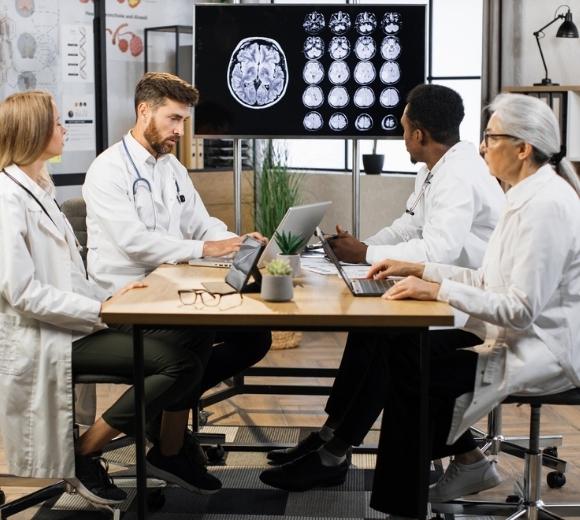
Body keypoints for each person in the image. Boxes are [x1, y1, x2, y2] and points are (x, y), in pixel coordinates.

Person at [260, 84, 505, 491]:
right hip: (440, 292)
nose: (401, 135)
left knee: (391, 341)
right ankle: (331, 437)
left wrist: (368, 251)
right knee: (370, 326)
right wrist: (364, 249)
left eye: (404, 128)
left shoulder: (459, 174)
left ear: (419, 135)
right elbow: (410, 224)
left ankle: (333, 451)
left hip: (468, 305)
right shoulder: (435, 167)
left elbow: (437, 248)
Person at [0, 91, 219, 507]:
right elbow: (23, 292)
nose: (64, 128)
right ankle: (86, 451)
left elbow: (68, 274)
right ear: (32, 131)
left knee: (195, 333)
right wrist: (100, 308)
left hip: (74, 319)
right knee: (178, 363)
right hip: (45, 335)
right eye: (56, 122)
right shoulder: (7, 199)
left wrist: (110, 296)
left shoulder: (38, 187)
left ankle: (168, 449)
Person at [368, 92, 580, 518]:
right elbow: (488, 280)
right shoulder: (523, 195)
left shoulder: (547, 207)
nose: (481, 146)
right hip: (519, 335)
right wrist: (423, 270)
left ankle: (407, 504)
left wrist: (439, 291)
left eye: (491, 138)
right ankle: (462, 466)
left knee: (419, 375)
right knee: (405, 349)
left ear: (522, 149)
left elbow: (520, 308)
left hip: (547, 351)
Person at [82, 72, 272, 470]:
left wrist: (238, 242)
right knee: (194, 338)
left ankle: (164, 418)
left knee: (253, 337)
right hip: (126, 302)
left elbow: (203, 224)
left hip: (169, 294)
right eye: (173, 119)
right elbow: (135, 241)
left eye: (184, 121)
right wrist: (206, 248)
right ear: (144, 110)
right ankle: (167, 447)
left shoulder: (171, 168)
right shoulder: (107, 170)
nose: (180, 131)